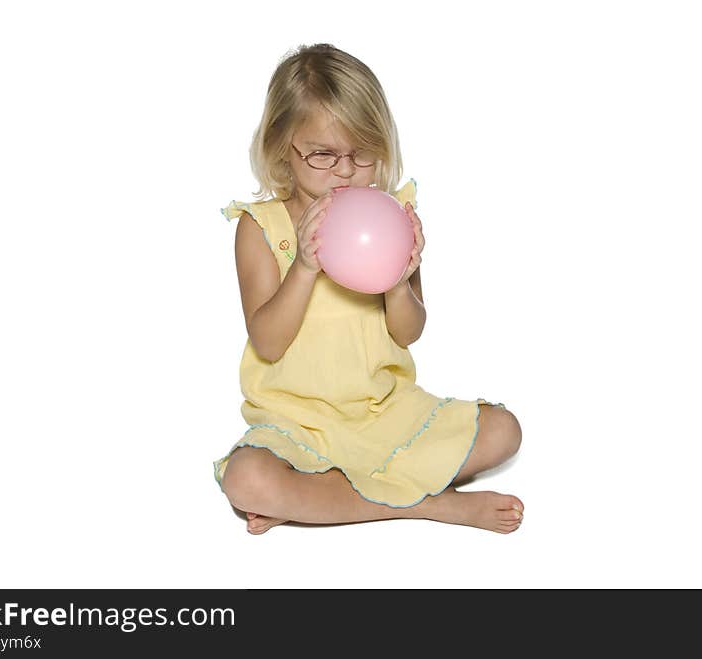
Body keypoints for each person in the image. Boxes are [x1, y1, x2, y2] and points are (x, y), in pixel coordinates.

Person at [214, 43, 524, 535]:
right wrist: (304, 267)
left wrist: (401, 281)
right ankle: (430, 504)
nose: (344, 169)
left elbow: (408, 333)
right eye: (323, 155)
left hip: (384, 411)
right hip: (299, 423)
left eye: (362, 153)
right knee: (246, 479)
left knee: (504, 430)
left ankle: (320, 499)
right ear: (281, 148)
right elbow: (268, 341)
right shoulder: (260, 227)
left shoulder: (388, 218)